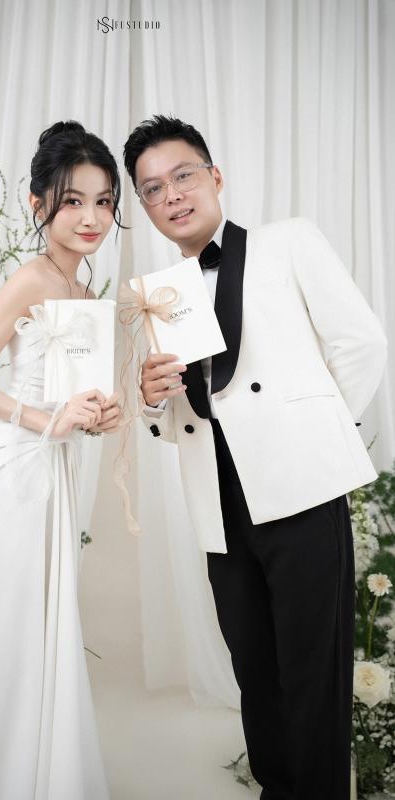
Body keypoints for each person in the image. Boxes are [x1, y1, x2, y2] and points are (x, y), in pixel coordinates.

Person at [123, 115, 387, 799]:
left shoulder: (287, 241)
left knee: (313, 670)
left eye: (183, 175)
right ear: (145, 207)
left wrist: (314, 435)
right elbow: (180, 417)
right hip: (217, 499)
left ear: (214, 177)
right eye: (152, 188)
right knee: (255, 671)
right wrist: (151, 399)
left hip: (299, 487)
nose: (172, 195)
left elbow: (361, 342)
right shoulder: (160, 295)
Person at [0, 121, 122, 800]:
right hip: (9, 477)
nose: (91, 218)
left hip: (52, 476)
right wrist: (49, 422)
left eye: (103, 202)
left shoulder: (84, 296)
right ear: (36, 202)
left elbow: (72, 404)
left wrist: (96, 417)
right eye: (73, 200)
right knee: (5, 641)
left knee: (39, 638)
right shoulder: (31, 280)